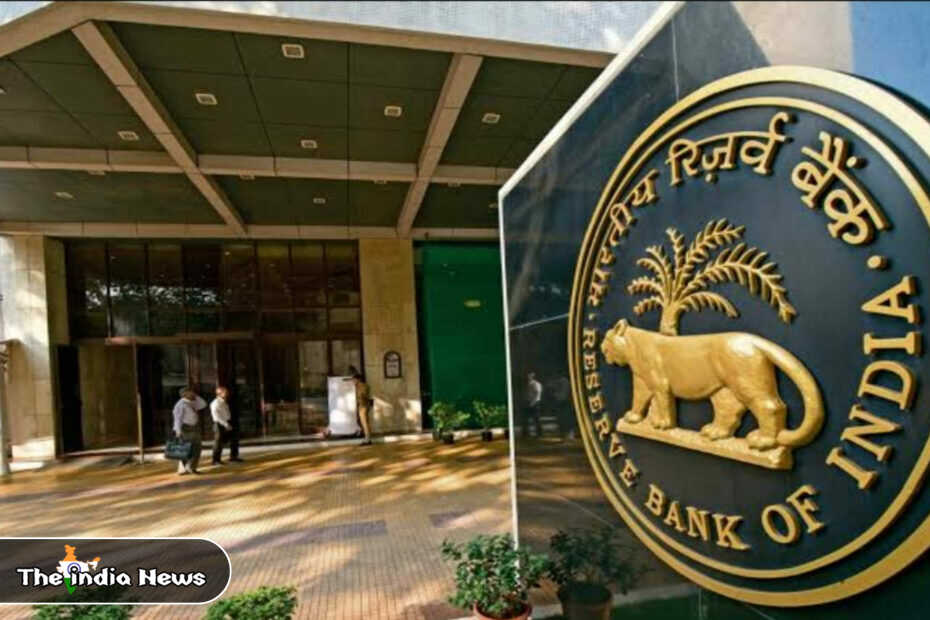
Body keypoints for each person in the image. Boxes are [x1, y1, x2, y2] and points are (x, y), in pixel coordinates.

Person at [172, 387, 206, 475]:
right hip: (185, 428)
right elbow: (178, 419)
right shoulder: (180, 404)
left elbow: (203, 404)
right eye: (191, 392)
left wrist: (196, 396)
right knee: (186, 449)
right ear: (185, 394)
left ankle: (191, 467)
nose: (193, 393)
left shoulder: (192, 402)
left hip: (194, 427)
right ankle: (185, 468)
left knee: (197, 447)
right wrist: (178, 431)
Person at [210, 386, 243, 465]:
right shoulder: (215, 403)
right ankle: (216, 460)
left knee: (234, 439)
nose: (227, 393)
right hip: (219, 424)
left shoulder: (224, 401)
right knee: (218, 442)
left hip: (227, 422)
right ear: (219, 393)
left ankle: (233, 457)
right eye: (225, 392)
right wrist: (226, 424)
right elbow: (217, 417)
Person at [352, 371, 372, 446]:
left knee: (365, 422)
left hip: (364, 406)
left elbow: (363, 395)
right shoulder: (357, 386)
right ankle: (366, 437)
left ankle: (367, 439)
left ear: (358, 379)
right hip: (361, 405)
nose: (353, 381)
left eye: (354, 380)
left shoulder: (363, 386)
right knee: (363, 422)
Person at [525, 372, 543, 438]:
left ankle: (539, 433)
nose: (528, 376)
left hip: (535, 403)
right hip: (529, 402)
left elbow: (537, 394)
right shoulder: (528, 384)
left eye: (530, 375)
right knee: (527, 418)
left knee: (536, 418)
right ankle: (527, 433)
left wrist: (533, 402)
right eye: (528, 375)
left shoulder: (536, 384)